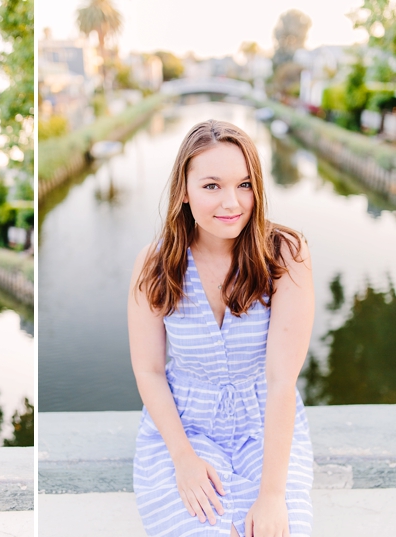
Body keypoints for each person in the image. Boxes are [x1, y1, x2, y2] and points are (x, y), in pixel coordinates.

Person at [128, 120, 314, 537]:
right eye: (212, 186)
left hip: (265, 427)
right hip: (183, 427)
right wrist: (184, 458)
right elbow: (149, 370)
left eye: (245, 184)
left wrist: (270, 495)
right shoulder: (155, 263)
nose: (232, 202)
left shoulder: (285, 254)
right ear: (184, 191)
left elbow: (283, 381)